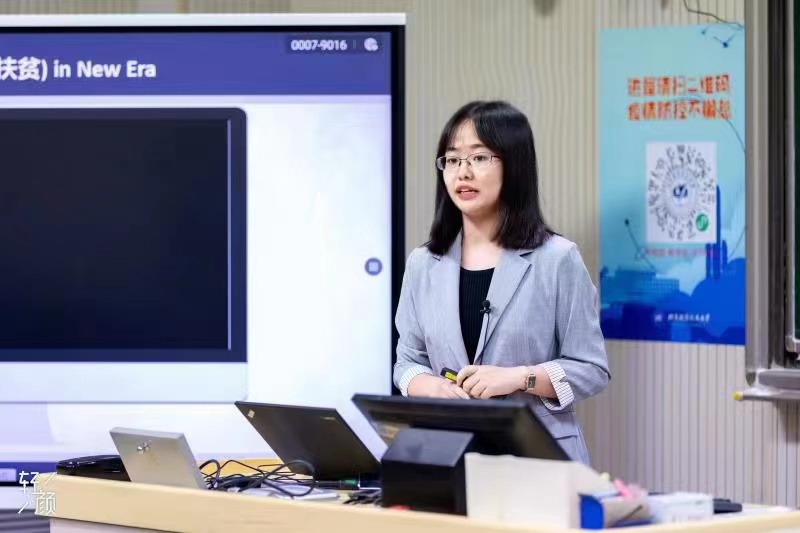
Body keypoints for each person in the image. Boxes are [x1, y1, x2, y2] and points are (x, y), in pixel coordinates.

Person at [392, 100, 610, 464]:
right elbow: (407, 362)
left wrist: (520, 378)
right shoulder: (423, 263)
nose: (463, 172)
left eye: (479, 158)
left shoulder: (557, 259)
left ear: (514, 165)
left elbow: (592, 369)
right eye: (452, 159)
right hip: (449, 455)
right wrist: (428, 385)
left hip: (538, 459)